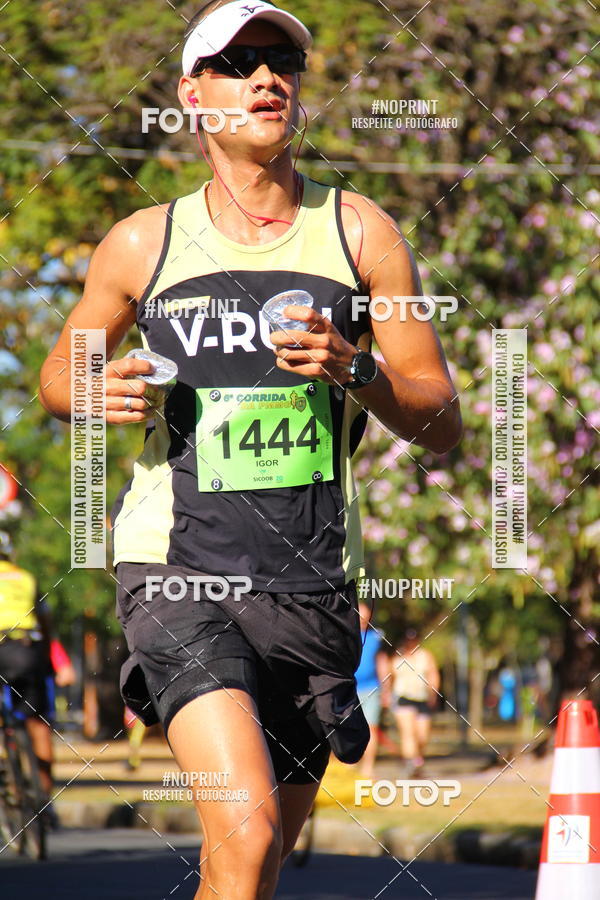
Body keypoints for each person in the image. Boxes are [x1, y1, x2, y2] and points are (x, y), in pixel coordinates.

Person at [39, 1, 462, 895]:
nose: (266, 76)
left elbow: (444, 421)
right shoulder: (141, 244)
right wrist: (88, 387)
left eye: (280, 60)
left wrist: (359, 372)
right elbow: (56, 374)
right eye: (236, 62)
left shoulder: (362, 234)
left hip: (311, 582)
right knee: (247, 823)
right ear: (193, 94)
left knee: (260, 861)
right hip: (177, 569)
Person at [0, 530, 75, 806]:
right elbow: (46, 625)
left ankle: (8, 782)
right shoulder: (26, 578)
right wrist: (47, 664)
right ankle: (45, 801)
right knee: (38, 724)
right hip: (25, 650)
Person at [389, 628, 439, 777]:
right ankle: (411, 764)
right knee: (408, 733)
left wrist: (433, 693)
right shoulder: (397, 657)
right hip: (403, 698)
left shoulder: (425, 656)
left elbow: (433, 674)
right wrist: (387, 694)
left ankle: (416, 759)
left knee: (422, 735)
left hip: (422, 698)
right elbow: (390, 677)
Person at [354, 600, 389, 779]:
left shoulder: (376, 637)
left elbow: (382, 663)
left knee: (371, 729)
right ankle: (347, 768)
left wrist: (386, 690)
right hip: (349, 689)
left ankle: (368, 768)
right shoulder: (343, 635)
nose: (362, 618)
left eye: (365, 616)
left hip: (371, 689)